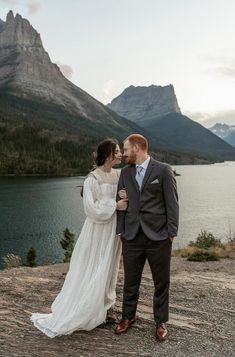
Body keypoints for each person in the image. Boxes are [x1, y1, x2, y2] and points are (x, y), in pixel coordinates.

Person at [31, 138, 128, 338]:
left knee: (110, 268)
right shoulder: (92, 179)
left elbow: (123, 194)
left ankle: (107, 307)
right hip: (97, 230)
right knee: (93, 266)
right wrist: (115, 206)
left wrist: (124, 196)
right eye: (117, 151)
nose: (121, 154)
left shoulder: (119, 175)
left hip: (113, 231)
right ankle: (89, 308)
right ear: (108, 154)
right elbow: (91, 210)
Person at [115, 134, 179, 341]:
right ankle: (127, 318)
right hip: (132, 236)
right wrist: (120, 230)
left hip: (158, 237)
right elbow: (121, 204)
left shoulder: (163, 170)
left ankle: (160, 322)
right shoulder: (125, 173)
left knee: (161, 282)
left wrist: (171, 233)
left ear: (136, 148)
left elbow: (172, 204)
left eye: (125, 149)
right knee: (130, 281)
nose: (123, 154)